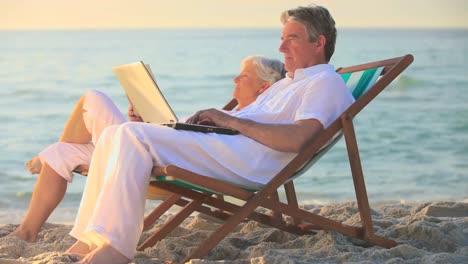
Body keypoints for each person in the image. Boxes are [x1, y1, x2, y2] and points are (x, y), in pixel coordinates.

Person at [66, 4, 355, 263]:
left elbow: (297, 139)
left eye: (291, 38)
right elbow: (255, 119)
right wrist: (194, 122)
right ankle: (89, 238)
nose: (281, 48)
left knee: (131, 136)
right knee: (116, 132)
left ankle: (116, 247)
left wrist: (229, 121)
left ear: (319, 43)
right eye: (282, 39)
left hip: (248, 159)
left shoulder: (325, 84)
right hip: (226, 146)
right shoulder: (288, 83)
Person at [8, 55, 285, 243]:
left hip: (154, 164)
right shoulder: (232, 116)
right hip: (144, 151)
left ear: (264, 86)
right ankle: (27, 231)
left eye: (244, 76)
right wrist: (143, 123)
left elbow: (209, 152)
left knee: (93, 99)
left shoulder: (256, 119)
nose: (235, 79)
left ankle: (40, 159)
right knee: (62, 153)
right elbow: (182, 137)